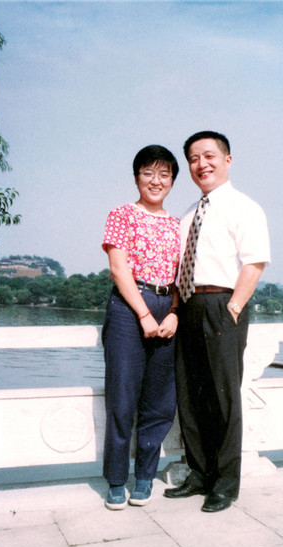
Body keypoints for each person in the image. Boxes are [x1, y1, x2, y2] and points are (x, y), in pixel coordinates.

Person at [164, 131, 270, 512]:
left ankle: (226, 483)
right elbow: (178, 269)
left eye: (208, 156)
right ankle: (199, 473)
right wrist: (176, 310)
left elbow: (254, 262)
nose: (201, 164)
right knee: (190, 395)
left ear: (227, 159)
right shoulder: (188, 214)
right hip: (189, 306)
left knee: (224, 396)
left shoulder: (245, 207)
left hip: (223, 304)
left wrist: (234, 308)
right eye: (193, 158)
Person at [101, 145, 180, 510]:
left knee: (159, 400)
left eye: (164, 175)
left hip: (168, 309)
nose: (156, 181)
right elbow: (119, 270)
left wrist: (174, 312)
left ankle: (145, 476)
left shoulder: (178, 225)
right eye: (149, 172)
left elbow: (185, 277)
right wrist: (144, 314)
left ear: (172, 183)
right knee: (122, 398)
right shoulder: (121, 215)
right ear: (137, 177)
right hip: (129, 309)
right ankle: (117, 480)